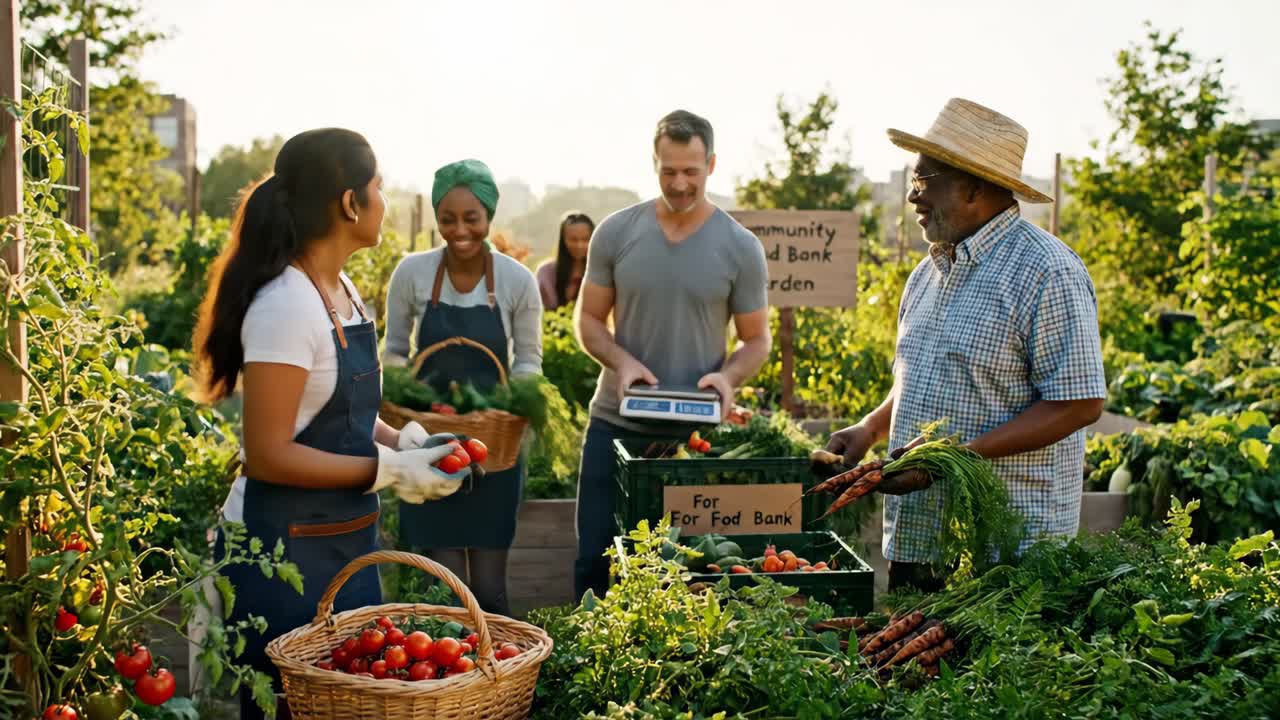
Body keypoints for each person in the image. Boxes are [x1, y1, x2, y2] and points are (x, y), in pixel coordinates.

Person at [194, 129, 465, 720]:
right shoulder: (286, 305)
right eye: (379, 187)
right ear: (349, 203)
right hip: (280, 554)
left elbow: (340, 417)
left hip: (345, 546)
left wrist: (408, 443)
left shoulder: (342, 290)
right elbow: (267, 453)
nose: (385, 201)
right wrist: (390, 470)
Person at [823, 99, 1107, 592]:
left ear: (974, 185)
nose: (913, 198)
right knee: (903, 669)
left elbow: (1080, 403)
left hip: (1004, 550)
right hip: (919, 537)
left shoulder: (1047, 271)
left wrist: (957, 458)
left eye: (923, 182)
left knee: (996, 670)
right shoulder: (928, 273)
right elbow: (924, 375)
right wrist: (871, 427)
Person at [573, 110, 771, 597]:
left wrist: (727, 379)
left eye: (691, 172)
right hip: (615, 427)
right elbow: (589, 321)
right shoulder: (616, 233)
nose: (680, 183)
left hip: (694, 439)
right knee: (595, 563)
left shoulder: (740, 247)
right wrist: (622, 363)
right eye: (669, 171)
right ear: (654, 163)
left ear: (712, 165)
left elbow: (756, 340)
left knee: (688, 576)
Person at [383, 159, 543, 615]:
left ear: (489, 217)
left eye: (471, 218)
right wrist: (404, 400)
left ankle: (502, 679)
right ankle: (452, 682)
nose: (459, 230)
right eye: (447, 218)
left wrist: (513, 407)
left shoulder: (516, 280)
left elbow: (528, 359)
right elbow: (394, 349)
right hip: (430, 442)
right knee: (445, 587)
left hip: (493, 450)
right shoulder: (412, 274)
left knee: (491, 589)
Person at [536, 211, 595, 310]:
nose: (579, 245)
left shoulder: (600, 272)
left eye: (585, 239)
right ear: (563, 240)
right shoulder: (545, 272)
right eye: (573, 240)